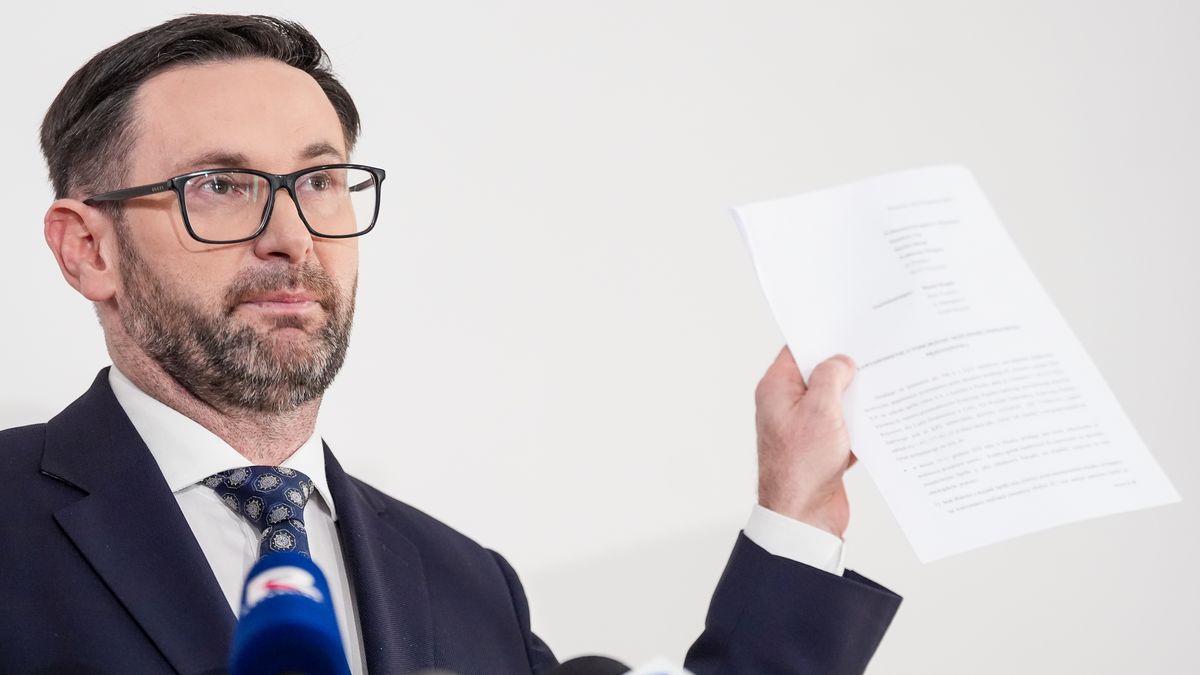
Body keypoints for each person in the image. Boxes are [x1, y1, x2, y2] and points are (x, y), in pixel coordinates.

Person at [0, 13, 901, 675]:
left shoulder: (467, 585)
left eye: (320, 179)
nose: (293, 236)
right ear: (88, 249)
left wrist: (798, 507)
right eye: (224, 185)